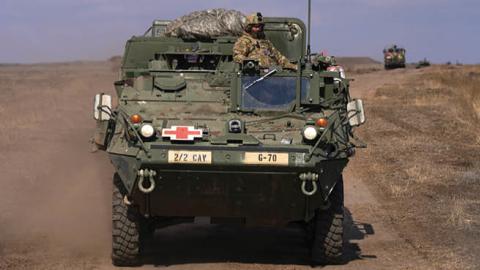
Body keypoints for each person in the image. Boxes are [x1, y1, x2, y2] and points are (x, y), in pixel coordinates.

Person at [233, 12, 297, 71]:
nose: (258, 29)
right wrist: (252, 63)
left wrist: (293, 66)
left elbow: (279, 57)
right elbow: (237, 56)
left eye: (260, 26)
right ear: (249, 27)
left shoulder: (265, 42)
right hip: (254, 77)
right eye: (255, 27)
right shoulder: (244, 41)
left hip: (271, 76)